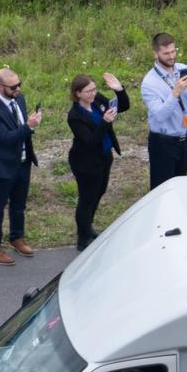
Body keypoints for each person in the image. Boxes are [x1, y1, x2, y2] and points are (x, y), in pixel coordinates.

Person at [0, 68, 41, 266]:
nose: (18, 89)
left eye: (19, 84)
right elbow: (5, 138)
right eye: (14, 86)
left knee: (19, 205)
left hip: (22, 163)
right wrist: (28, 126)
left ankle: (17, 237)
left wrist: (27, 125)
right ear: (0, 87)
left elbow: (20, 130)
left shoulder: (18, 99)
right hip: (1, 167)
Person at [65, 73, 129, 251]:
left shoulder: (97, 100)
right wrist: (105, 122)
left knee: (99, 193)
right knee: (87, 199)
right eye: (88, 91)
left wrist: (119, 90)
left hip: (104, 156)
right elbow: (90, 141)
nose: (93, 94)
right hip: (85, 162)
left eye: (94, 89)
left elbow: (123, 106)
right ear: (78, 93)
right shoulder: (75, 116)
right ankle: (82, 237)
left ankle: (88, 227)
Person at [141, 33, 187, 189]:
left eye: (173, 51)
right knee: (162, 190)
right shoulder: (149, 83)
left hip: (185, 139)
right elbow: (160, 115)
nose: (171, 56)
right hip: (163, 142)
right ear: (156, 53)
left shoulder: (184, 69)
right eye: (166, 53)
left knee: (180, 186)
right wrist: (175, 93)